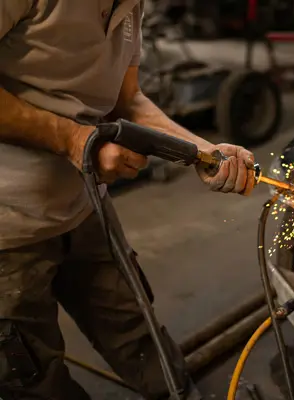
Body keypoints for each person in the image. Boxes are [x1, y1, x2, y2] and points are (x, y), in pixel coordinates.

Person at [0, 1, 255, 398]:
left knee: (137, 333)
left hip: (86, 206)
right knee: (34, 380)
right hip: (8, 227)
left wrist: (203, 152)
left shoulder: (130, 4)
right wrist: (73, 139)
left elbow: (129, 99)